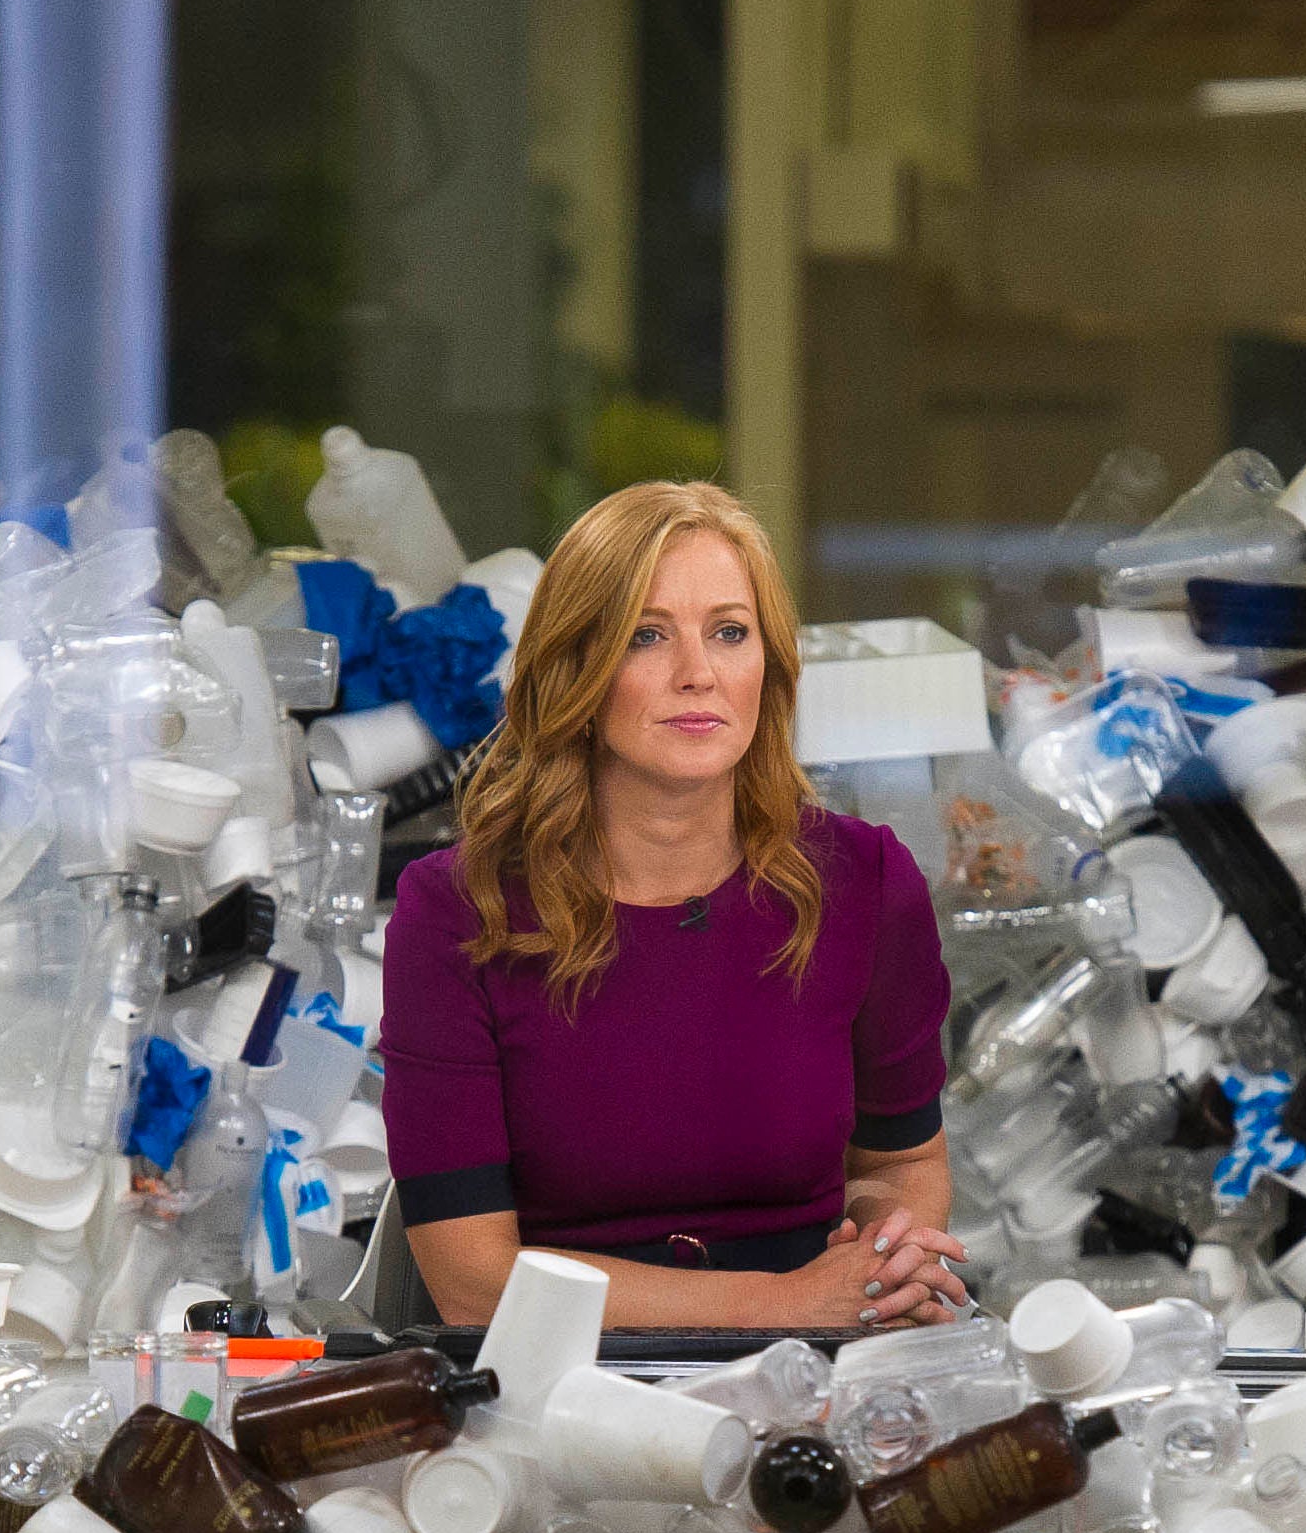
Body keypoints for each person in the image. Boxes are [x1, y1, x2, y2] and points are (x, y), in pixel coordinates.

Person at [378, 479, 970, 1329]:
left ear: (768, 666)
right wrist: (784, 1301)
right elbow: (472, 1282)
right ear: (575, 666)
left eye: (730, 632)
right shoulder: (456, 911)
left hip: (817, 1370)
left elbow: (904, 1159)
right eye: (647, 636)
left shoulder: (865, 882)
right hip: (558, 1388)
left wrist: (891, 1254)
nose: (698, 674)